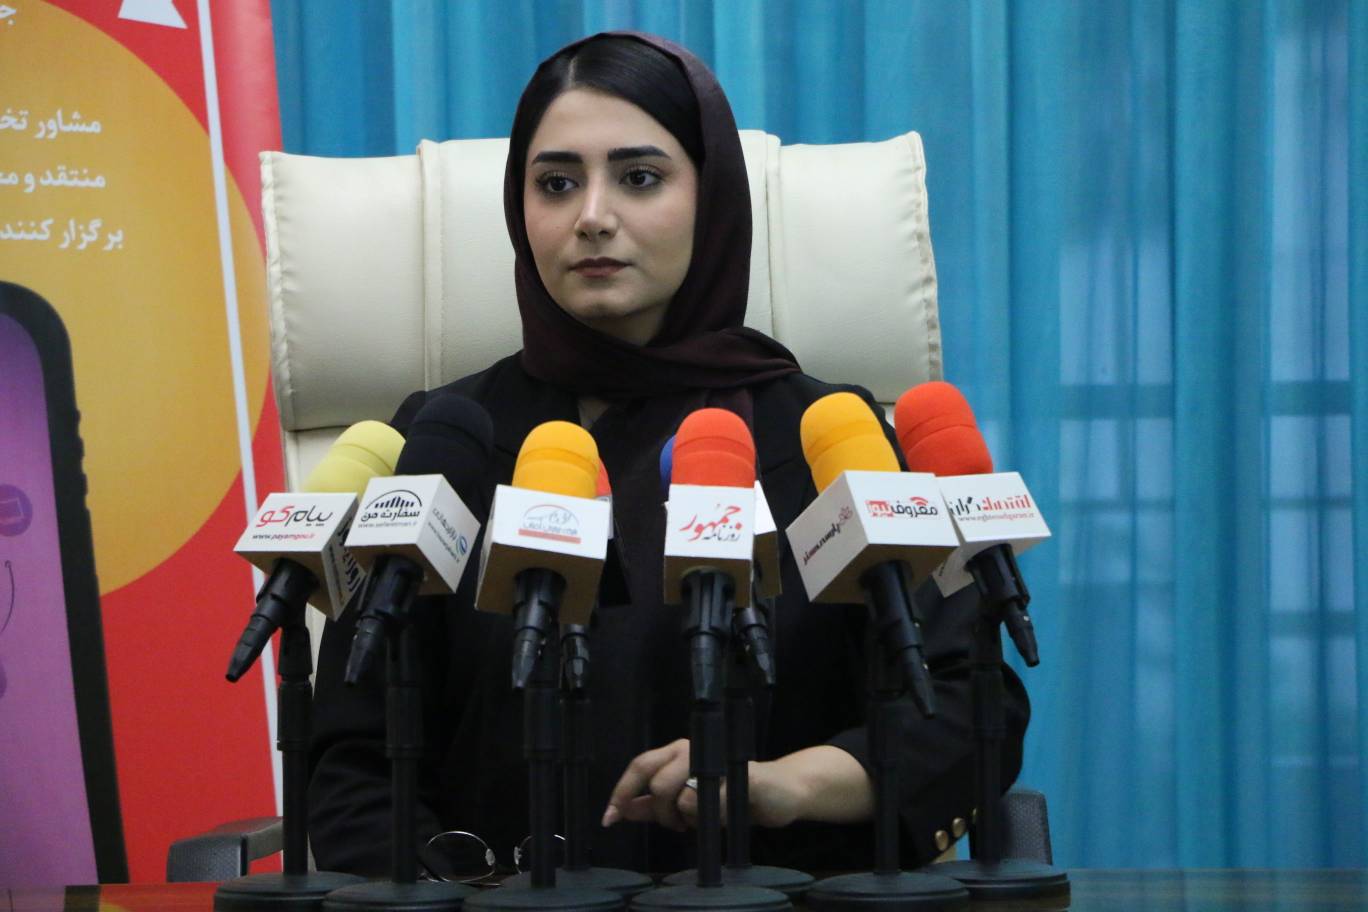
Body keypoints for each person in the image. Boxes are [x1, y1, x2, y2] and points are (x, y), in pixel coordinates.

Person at [308, 31, 1029, 878]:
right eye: (556, 183)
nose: (592, 216)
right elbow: (352, 761)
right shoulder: (445, 440)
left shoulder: (832, 438)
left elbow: (969, 703)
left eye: (640, 177)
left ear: (712, 197)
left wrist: (787, 784)